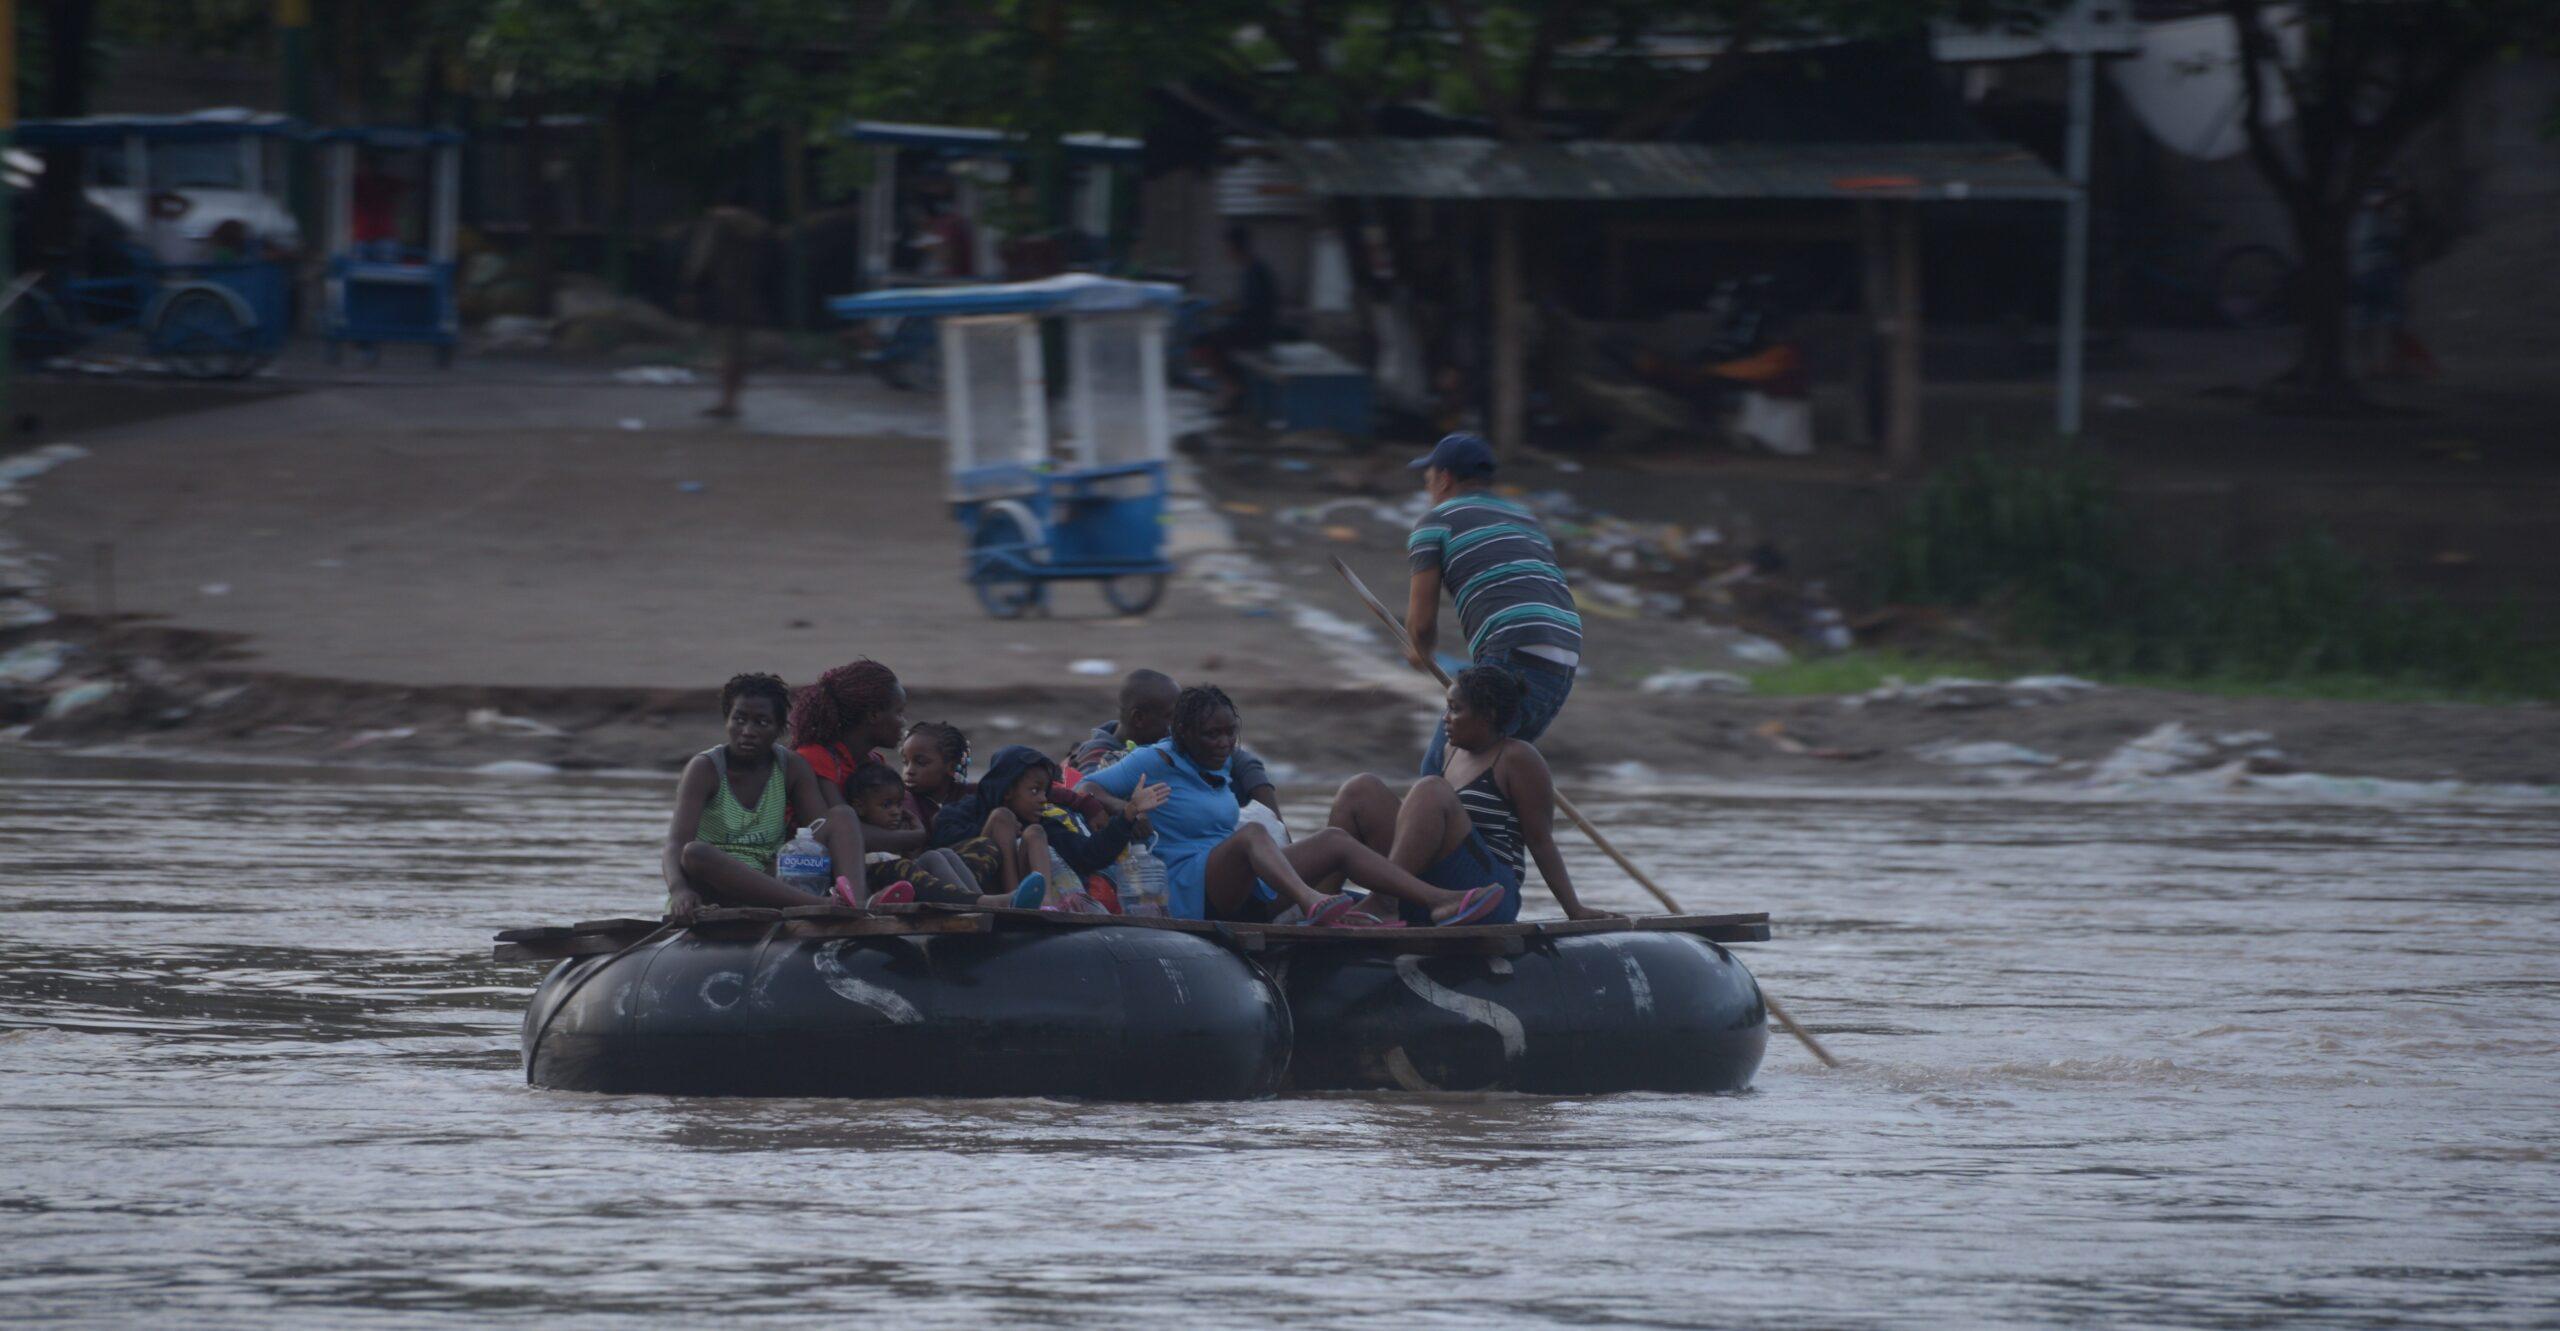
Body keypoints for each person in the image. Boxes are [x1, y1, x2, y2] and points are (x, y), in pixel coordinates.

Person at [1078, 685, 1508, 926]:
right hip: (1192, 890)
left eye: (1230, 734)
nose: (1224, 744)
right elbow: (1088, 789)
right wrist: (1127, 811)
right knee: (1251, 834)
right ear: (1185, 734)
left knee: (1334, 841)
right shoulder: (1155, 759)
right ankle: (1311, 902)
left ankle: (1439, 900)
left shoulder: (1220, 765)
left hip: (1242, 884)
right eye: (1212, 735)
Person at [1328, 666, 1618, 927]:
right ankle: (1318, 904)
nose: (1446, 719)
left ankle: (1385, 901)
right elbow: (1417, 831)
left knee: (1430, 789)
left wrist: (1574, 909)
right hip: (1432, 890)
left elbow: (1541, 842)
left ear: (1487, 715)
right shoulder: (1447, 753)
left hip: (1489, 892)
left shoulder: (1518, 757)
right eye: (1446, 708)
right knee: (1360, 789)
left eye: (1455, 709)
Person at [1403, 431, 1582, 776]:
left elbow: (1422, 624)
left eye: (1428, 478)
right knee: (1488, 782)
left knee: (1437, 778)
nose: (1428, 489)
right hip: (1563, 660)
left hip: (1512, 656)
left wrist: (1418, 650)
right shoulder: (1527, 520)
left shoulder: (1435, 522)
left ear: (1444, 479)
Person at [660, 672, 870, 923]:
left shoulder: (792, 766)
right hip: (715, 883)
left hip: (773, 882)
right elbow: (675, 844)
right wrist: (679, 890)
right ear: (727, 721)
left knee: (842, 816)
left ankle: (856, 905)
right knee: (695, 853)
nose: (747, 731)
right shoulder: (704, 768)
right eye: (739, 719)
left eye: (761, 722)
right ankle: (822, 905)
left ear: (779, 728)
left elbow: (818, 831)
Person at [931, 744, 1167, 911]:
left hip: (1024, 902)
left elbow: (1089, 854)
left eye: (1045, 791)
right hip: (978, 888)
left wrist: (1129, 812)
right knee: (1002, 818)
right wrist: (997, 830)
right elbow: (943, 838)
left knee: (1035, 834)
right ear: (1008, 789)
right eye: (1034, 791)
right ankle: (1011, 903)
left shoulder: (1042, 822)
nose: (1043, 799)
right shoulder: (967, 811)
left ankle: (1036, 904)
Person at [1071, 669, 1280, 815]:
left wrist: (1274, 819)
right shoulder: (1098, 757)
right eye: (1173, 716)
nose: (1183, 722)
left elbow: (1240, 760)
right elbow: (1089, 792)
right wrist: (1125, 808)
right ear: (1139, 719)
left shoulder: (1170, 742)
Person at [789, 659, 925, 855]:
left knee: (944, 855)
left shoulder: (874, 763)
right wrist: (915, 837)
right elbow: (846, 834)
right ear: (873, 715)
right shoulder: (815, 758)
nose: (903, 722)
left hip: (872, 861)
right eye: (899, 712)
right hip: (816, 867)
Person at [836, 760, 1007, 908]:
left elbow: (915, 860)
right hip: (878, 883)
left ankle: (979, 901)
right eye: (886, 805)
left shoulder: (898, 830)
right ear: (859, 806)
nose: (896, 812)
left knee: (941, 854)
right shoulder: (856, 830)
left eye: (898, 804)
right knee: (920, 861)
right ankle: (980, 904)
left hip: (912, 880)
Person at [683, 189, 772, 419]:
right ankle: (732, 400)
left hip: (720, 293)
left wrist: (690, 286)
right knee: (739, 351)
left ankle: (725, 402)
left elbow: (702, 258)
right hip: (749, 294)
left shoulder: (717, 223)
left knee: (725, 349)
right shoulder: (757, 227)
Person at [1199, 224, 1278, 413]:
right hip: (1253, 328)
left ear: (1234, 247)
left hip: (1257, 332)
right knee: (1211, 337)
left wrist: (1229, 310)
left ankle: (1232, 386)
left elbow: (1253, 309)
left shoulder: (1256, 271)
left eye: (1227, 247)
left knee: (1203, 343)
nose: (1225, 252)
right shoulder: (1252, 269)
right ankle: (1231, 385)